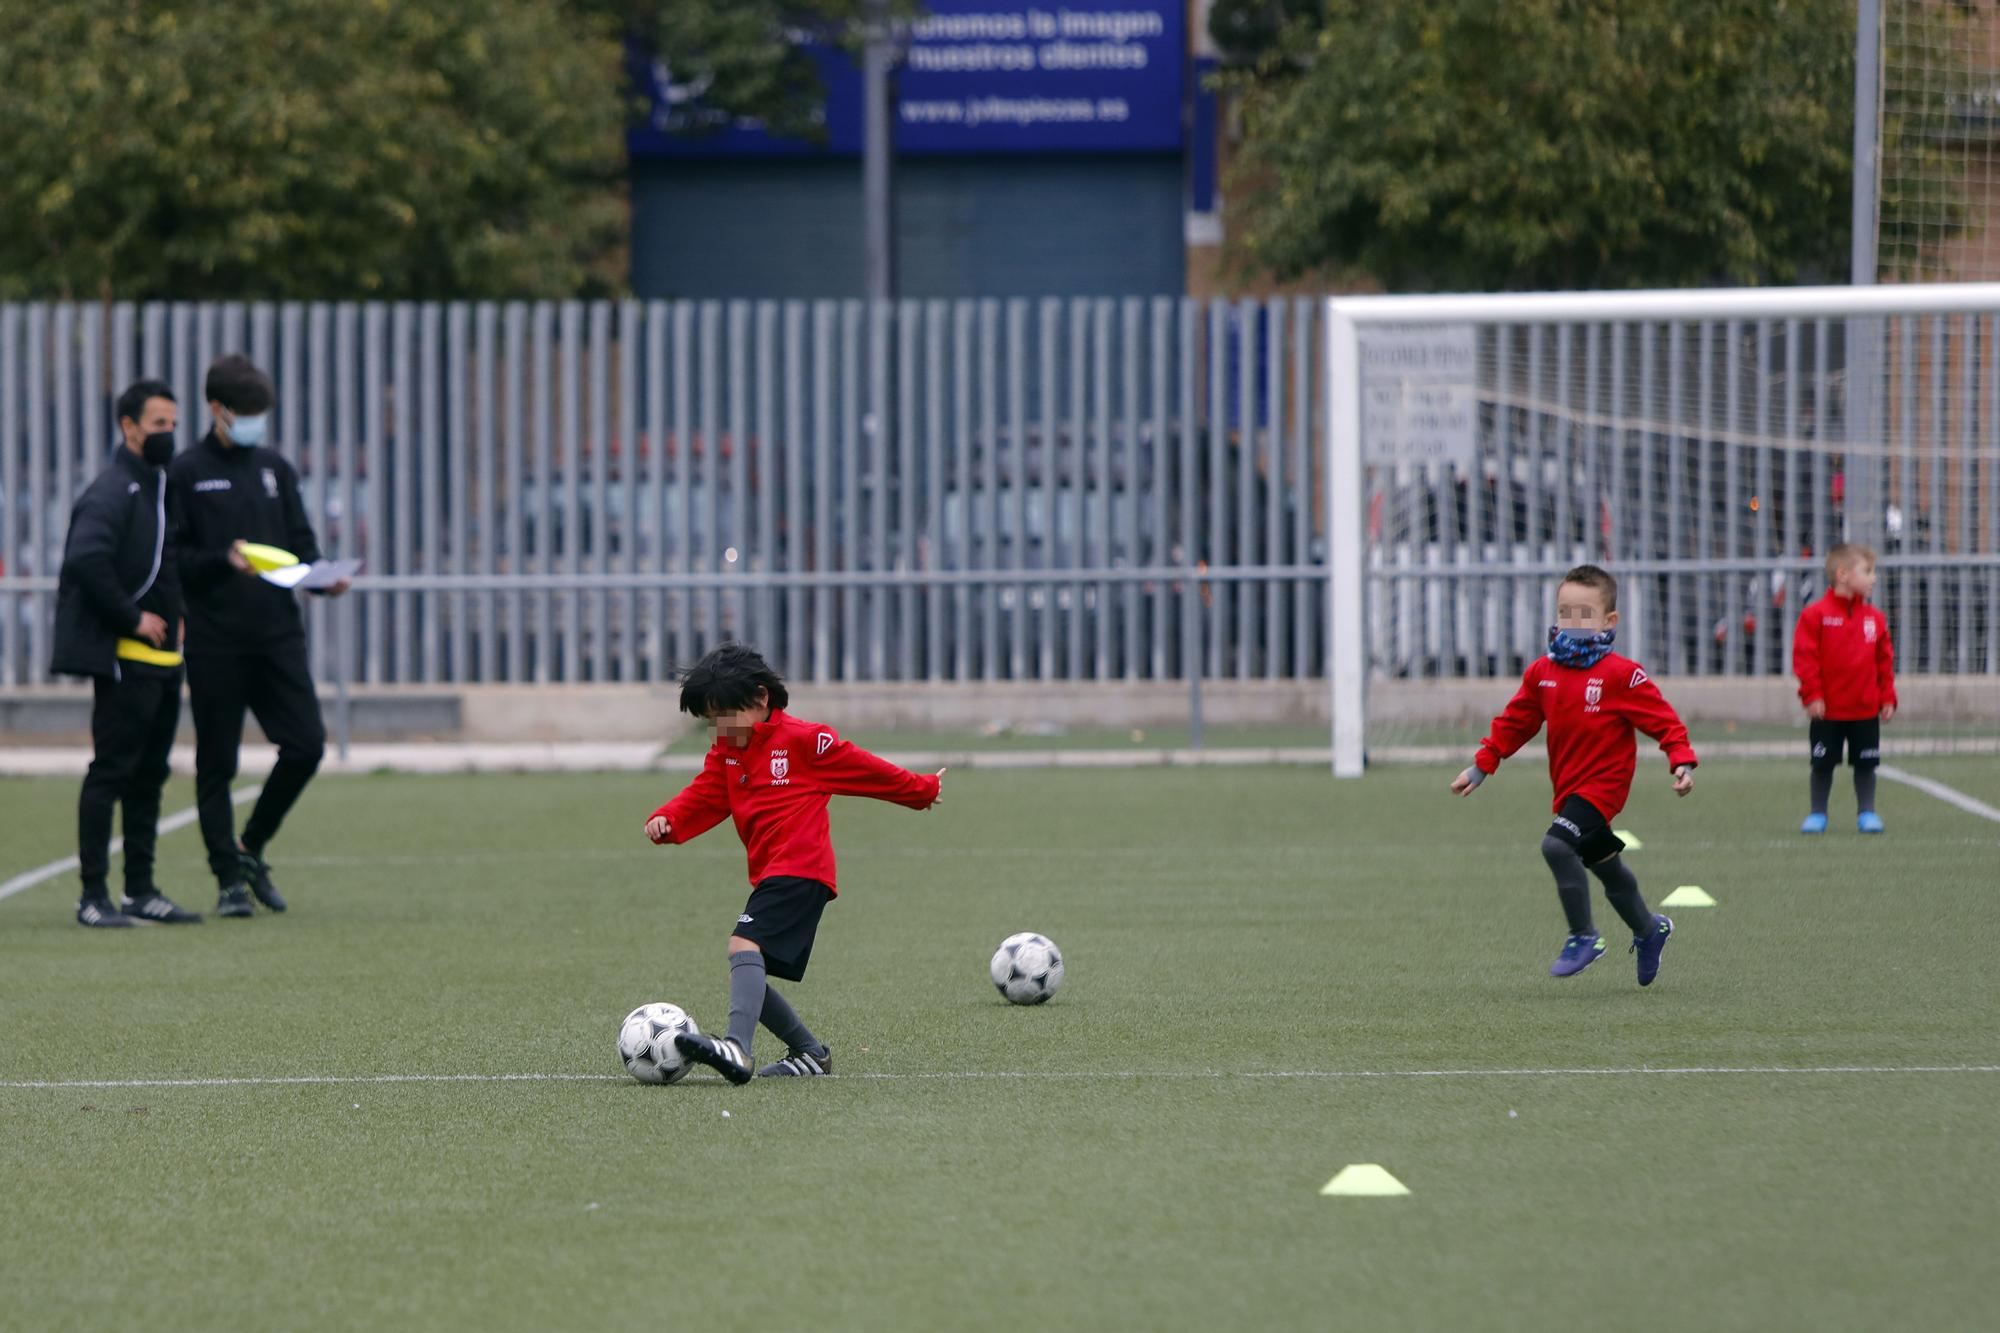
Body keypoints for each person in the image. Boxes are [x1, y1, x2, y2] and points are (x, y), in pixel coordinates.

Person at [644, 644, 945, 1082]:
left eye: (726, 715)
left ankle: (737, 1050)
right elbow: (708, 792)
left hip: (802, 869)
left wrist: (920, 790)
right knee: (750, 969)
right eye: (712, 721)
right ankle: (809, 1053)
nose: (720, 728)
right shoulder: (729, 748)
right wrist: (669, 818)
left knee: (742, 948)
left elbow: (866, 769)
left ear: (762, 698)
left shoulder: (805, 741)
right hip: (773, 873)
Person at [1450, 565, 1696, 985]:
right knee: (1605, 865)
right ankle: (1650, 929)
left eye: (1585, 613)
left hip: (1604, 787)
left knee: (1555, 846)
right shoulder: (1542, 672)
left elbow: (1663, 720)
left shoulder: (1622, 675)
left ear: (1609, 621)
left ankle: (1584, 936)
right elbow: (1516, 721)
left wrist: (1681, 760)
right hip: (1568, 787)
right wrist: (1482, 764)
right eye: (1565, 612)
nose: (1574, 621)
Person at [167, 355, 348, 919]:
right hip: (215, 641)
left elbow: (301, 546)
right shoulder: (186, 471)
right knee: (216, 763)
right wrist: (223, 561)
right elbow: (174, 559)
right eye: (245, 413)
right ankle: (227, 878)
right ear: (216, 410)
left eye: (260, 414)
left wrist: (324, 580)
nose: (254, 423)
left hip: (277, 637)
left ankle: (250, 846)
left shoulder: (275, 467)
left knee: (306, 744)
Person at [51, 380, 202, 927]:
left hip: (165, 663)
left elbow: (167, 563)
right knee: (111, 772)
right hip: (124, 659)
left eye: (172, 424)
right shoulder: (113, 489)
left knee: (151, 775)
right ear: (129, 427)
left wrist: (178, 612)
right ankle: (93, 896)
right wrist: (133, 618)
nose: (168, 434)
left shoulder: (160, 487)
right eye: (158, 424)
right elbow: (85, 560)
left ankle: (141, 890)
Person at [1792, 544, 1896, 835]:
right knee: (1822, 763)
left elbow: (1884, 661)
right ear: (1843, 575)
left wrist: (1887, 696)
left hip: (1865, 710)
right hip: (1828, 712)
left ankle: (1867, 812)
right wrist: (1812, 696)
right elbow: (1805, 658)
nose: (1873, 578)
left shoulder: (1874, 619)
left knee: (1866, 763)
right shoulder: (1816, 615)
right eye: (1868, 571)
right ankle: (1817, 814)